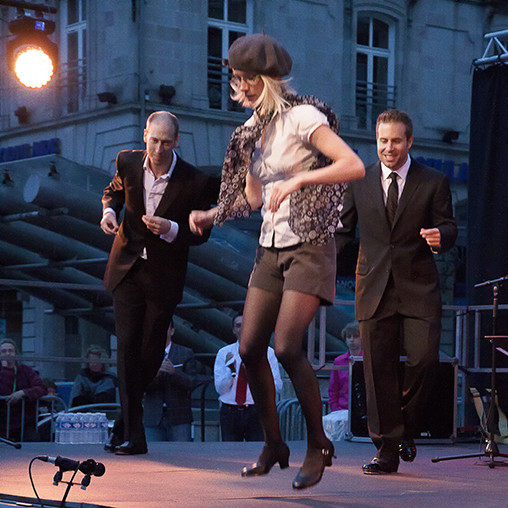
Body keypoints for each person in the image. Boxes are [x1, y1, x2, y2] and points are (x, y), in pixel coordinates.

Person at [190, 33, 365, 489]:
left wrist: (297, 180)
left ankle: (317, 445)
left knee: (286, 347)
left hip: (309, 244)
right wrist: (210, 214)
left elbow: (353, 165)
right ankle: (273, 444)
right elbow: (252, 197)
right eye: (236, 80)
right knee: (249, 348)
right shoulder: (253, 130)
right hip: (270, 248)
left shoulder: (303, 117)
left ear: (267, 79)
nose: (240, 88)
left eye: (246, 79)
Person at [335, 109, 458, 475]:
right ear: (376, 140)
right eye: (382, 141)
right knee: (377, 372)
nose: (388, 148)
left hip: (419, 287)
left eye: (396, 141)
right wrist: (314, 266)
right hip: (373, 287)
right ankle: (387, 449)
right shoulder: (358, 180)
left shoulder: (433, 181)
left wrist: (440, 237)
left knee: (425, 360)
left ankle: (402, 425)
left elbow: (449, 226)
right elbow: (342, 233)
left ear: (410, 141)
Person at [100, 110, 217, 455]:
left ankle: (123, 423)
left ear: (176, 141)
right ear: (145, 137)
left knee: (151, 353)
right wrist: (109, 212)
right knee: (126, 348)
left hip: (164, 276)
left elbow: (202, 234)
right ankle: (134, 436)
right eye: (154, 141)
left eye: (166, 142)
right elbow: (114, 191)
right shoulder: (128, 161)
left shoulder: (195, 180)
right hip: (127, 268)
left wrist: (172, 229)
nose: (159, 149)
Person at [214, 312, 282, 442]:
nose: (242, 329)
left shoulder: (268, 353)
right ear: (234, 330)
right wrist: (231, 370)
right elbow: (220, 389)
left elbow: (278, 387)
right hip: (230, 410)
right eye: (238, 325)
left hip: (257, 410)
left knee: (257, 449)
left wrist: (259, 373)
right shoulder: (224, 353)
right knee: (231, 450)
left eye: (246, 325)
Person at [143, 320, 197, 442]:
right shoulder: (146, 353)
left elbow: (192, 383)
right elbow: (138, 386)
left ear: (172, 331)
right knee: (153, 453)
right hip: (152, 416)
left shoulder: (185, 353)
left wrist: (174, 372)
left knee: (181, 451)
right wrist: (155, 374)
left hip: (179, 417)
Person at [0, 338, 47, 442]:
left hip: (23, 422)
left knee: (33, 441)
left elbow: (42, 388)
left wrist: (23, 393)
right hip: (2, 420)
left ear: (16, 353)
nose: (7, 354)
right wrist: (5, 370)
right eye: (3, 351)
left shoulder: (26, 370)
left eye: (10, 351)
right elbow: (4, 391)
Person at [328, 321, 362, 412]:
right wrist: (335, 408)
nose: (351, 340)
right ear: (345, 339)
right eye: (349, 337)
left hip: (365, 409)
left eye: (356, 336)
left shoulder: (368, 359)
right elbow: (333, 388)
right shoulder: (338, 361)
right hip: (343, 409)